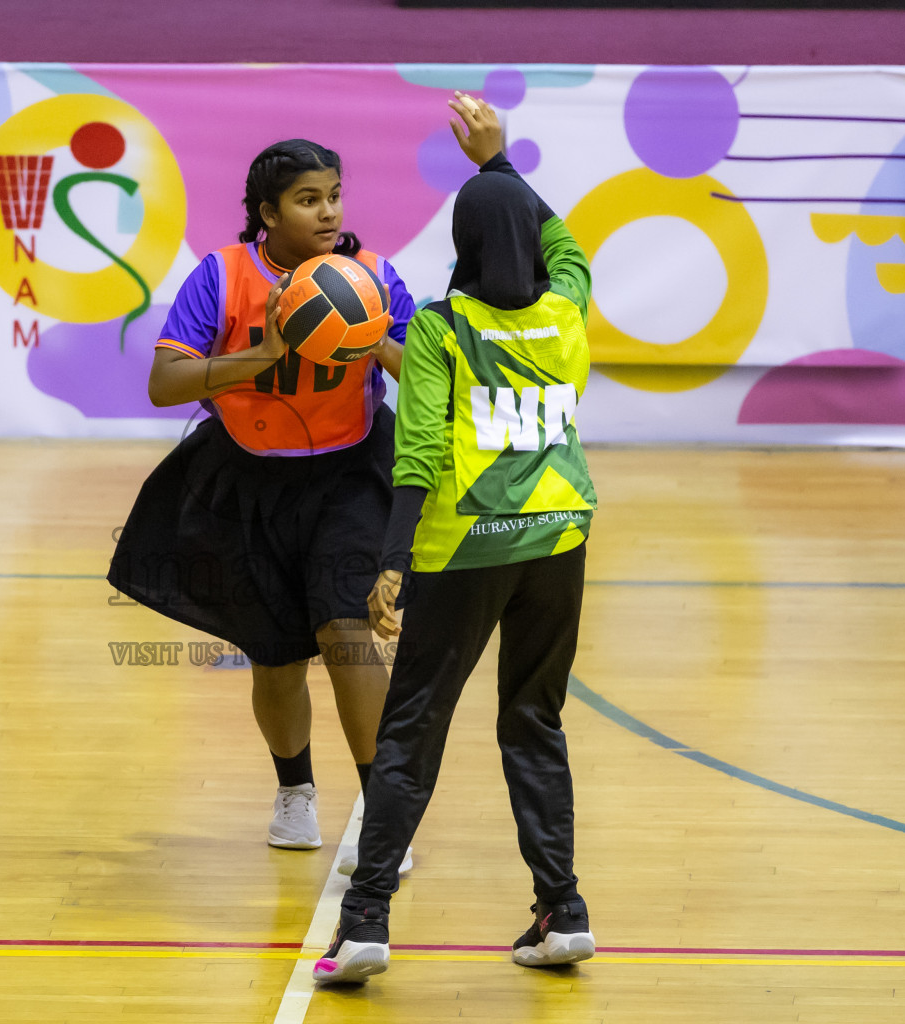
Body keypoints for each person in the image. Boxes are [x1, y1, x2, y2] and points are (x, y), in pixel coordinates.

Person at [312, 93, 598, 985]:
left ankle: (364, 924)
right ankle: (564, 911)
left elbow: (421, 452)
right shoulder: (567, 310)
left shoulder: (441, 325)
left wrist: (391, 562)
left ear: (464, 245)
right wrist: (501, 164)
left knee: (411, 732)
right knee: (533, 718)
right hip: (558, 538)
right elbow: (565, 244)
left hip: (464, 548)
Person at [108, 139, 418, 863]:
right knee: (275, 658)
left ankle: (383, 815)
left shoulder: (370, 276)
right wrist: (262, 355)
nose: (329, 211)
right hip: (248, 481)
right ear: (267, 212)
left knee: (348, 635)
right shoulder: (220, 275)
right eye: (309, 200)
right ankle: (295, 792)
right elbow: (164, 384)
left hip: (349, 476)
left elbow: (423, 376)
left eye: (335, 195)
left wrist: (372, 339)